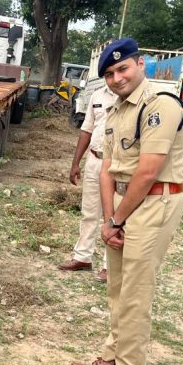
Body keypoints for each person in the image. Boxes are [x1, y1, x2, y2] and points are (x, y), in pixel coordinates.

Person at [68, 38, 183, 365]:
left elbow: (149, 170)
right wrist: (109, 219)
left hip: (154, 202)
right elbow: (106, 167)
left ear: (141, 65)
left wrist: (118, 218)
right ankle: (112, 357)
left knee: (135, 294)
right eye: (109, 73)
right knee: (117, 286)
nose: (117, 78)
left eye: (123, 69)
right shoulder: (117, 109)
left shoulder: (161, 105)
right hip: (122, 203)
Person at [58, 85, 117, 282]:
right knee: (89, 212)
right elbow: (87, 130)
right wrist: (76, 163)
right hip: (95, 159)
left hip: (119, 164)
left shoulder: (132, 95)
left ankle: (111, 266)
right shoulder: (98, 94)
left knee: (114, 216)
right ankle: (82, 257)